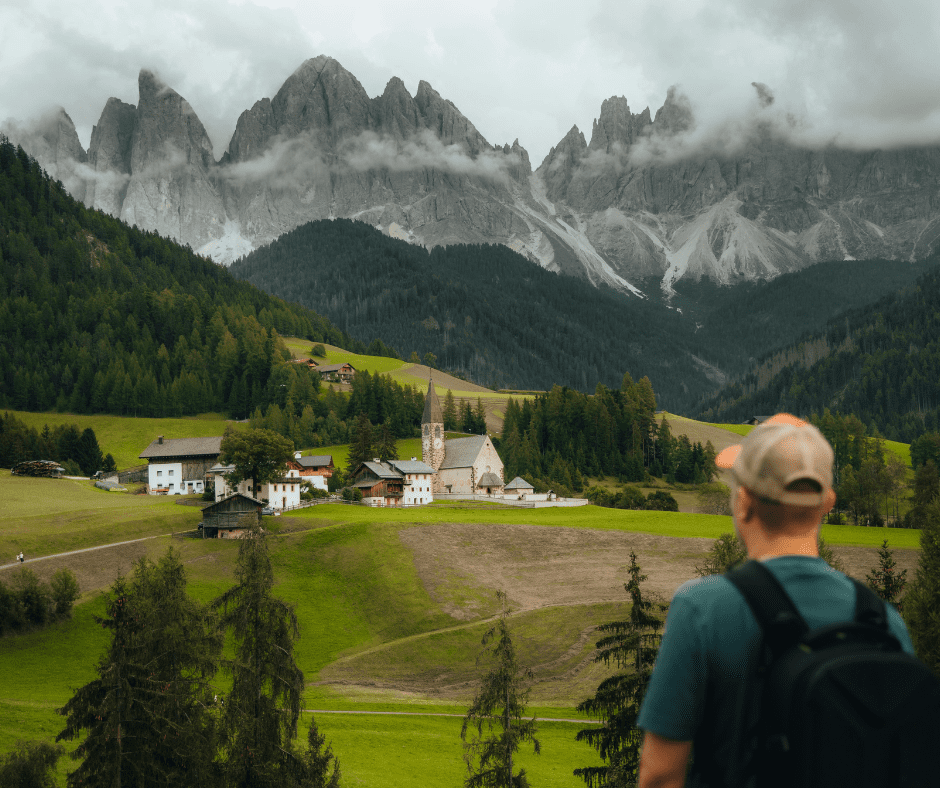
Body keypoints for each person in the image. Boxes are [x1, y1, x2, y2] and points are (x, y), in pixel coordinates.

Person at [635, 413, 915, 788]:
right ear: (827, 503)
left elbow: (660, 775)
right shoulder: (884, 621)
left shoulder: (702, 609)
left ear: (743, 502)